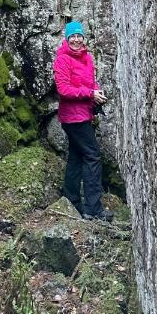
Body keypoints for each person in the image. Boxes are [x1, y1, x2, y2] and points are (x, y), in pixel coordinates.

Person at [53, 21, 113, 221]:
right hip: (72, 117)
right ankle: (93, 209)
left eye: (79, 36)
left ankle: (71, 201)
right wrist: (90, 93)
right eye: (73, 37)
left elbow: (90, 81)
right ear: (67, 39)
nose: (77, 40)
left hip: (84, 114)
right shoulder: (62, 60)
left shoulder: (87, 58)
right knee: (93, 156)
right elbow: (63, 89)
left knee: (77, 156)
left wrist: (97, 91)